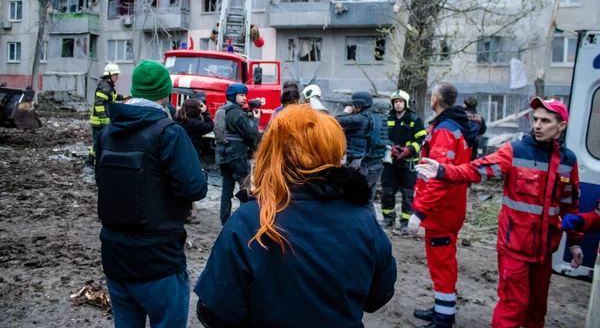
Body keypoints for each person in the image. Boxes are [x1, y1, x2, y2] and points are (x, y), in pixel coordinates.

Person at [193, 104, 397, 327]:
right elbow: (380, 293)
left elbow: (213, 311)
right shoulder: (363, 220)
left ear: (272, 151)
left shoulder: (251, 220)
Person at [415, 97, 584, 328]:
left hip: (545, 251)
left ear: (561, 126)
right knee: (512, 308)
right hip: (515, 247)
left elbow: (570, 205)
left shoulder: (568, 160)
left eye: (545, 121)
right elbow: (476, 170)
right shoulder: (515, 151)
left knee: (536, 311)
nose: (537, 125)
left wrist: (574, 243)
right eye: (535, 119)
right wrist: (443, 171)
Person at [94, 60, 208, 328]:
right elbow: (195, 188)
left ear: (133, 91)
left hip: (115, 258)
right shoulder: (169, 133)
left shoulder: (108, 133)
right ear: (166, 94)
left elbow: (103, 182)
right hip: (159, 261)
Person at [409, 82, 479, 328]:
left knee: (442, 265)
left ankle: (444, 318)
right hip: (451, 208)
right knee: (443, 263)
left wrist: (419, 212)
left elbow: (438, 178)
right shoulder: (457, 127)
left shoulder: (444, 132)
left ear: (434, 100)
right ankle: (441, 307)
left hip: (441, 211)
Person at [381, 90, 427, 234]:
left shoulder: (414, 119)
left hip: (408, 164)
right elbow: (382, 137)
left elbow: (422, 140)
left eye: (400, 102)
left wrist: (408, 149)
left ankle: (405, 222)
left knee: (408, 193)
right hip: (390, 163)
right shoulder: (387, 118)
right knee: (387, 191)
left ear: (405, 103)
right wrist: (390, 148)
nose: (398, 104)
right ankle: (388, 218)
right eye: (395, 102)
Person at [214, 83, 260, 225]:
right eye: (241, 95)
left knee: (226, 191)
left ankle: (225, 221)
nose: (244, 98)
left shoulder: (223, 109)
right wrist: (256, 119)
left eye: (245, 95)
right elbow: (251, 133)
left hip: (223, 156)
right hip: (237, 156)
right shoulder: (235, 112)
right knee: (245, 189)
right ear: (233, 96)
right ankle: (243, 222)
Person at [336, 91, 387, 216]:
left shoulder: (360, 119)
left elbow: (336, 121)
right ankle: (371, 229)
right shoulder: (380, 118)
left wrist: (346, 111)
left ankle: (363, 229)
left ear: (358, 105)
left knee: (356, 200)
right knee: (368, 200)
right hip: (376, 164)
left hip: (363, 166)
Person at [84, 63, 129, 171]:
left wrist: (126, 97)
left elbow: (112, 97)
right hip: (99, 122)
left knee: (98, 142)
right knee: (98, 143)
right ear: (109, 75)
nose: (117, 77)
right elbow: (99, 104)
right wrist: (104, 119)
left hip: (102, 121)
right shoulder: (104, 86)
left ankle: (91, 162)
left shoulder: (108, 86)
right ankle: (91, 164)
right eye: (115, 75)